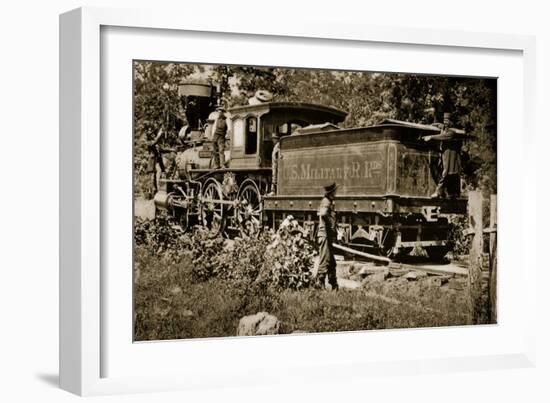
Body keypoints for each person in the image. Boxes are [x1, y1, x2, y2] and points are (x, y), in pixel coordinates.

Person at [424, 112, 462, 198]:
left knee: (446, 174)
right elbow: (440, 125)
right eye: (444, 120)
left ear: (451, 122)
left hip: (451, 158)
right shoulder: (444, 128)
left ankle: (438, 192)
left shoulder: (452, 132)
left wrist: (431, 137)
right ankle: (451, 193)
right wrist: (433, 124)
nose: (446, 122)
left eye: (448, 120)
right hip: (444, 156)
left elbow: (442, 136)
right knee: (447, 174)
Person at [316, 182, 339, 290]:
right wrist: (330, 224)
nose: (336, 193)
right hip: (324, 235)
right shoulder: (326, 201)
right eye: (335, 191)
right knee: (325, 259)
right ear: (331, 192)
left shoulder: (329, 201)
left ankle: (334, 284)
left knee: (331, 261)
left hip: (327, 236)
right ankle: (319, 284)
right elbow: (323, 213)